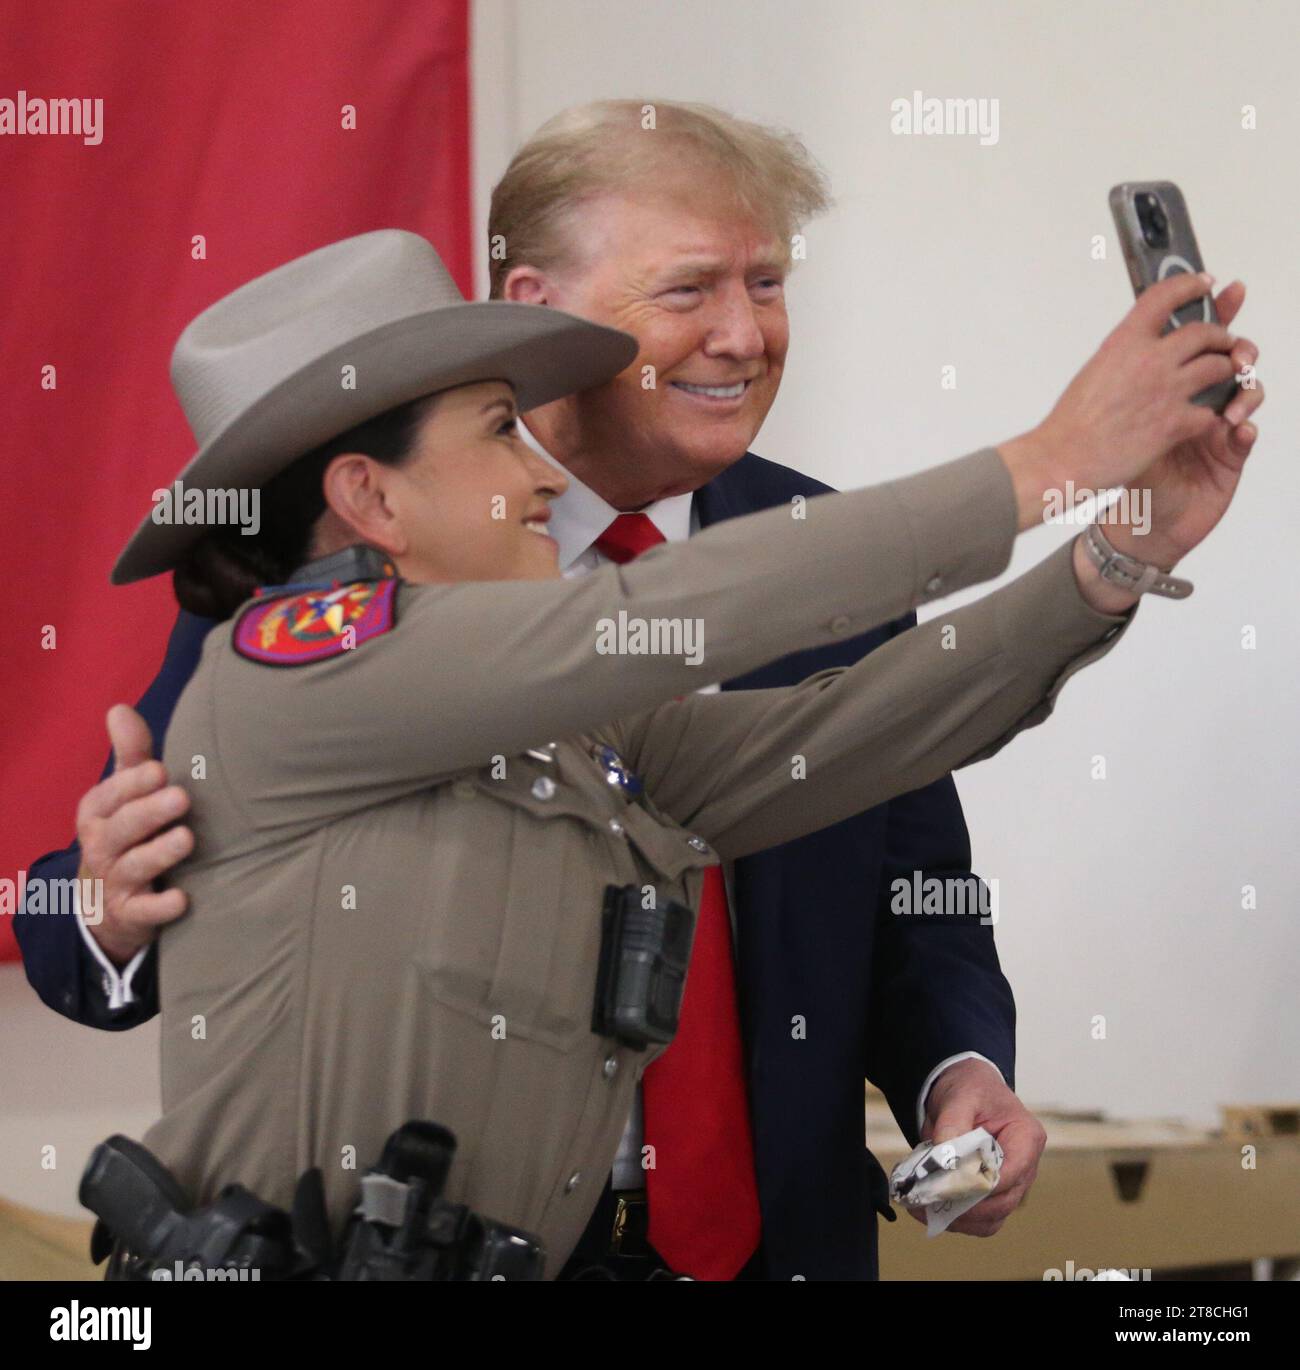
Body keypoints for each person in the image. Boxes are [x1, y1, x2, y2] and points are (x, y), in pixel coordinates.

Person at [16, 102, 1265, 1280]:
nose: (539, 474)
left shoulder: (601, 687)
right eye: (499, 429)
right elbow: (640, 624)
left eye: (765, 281)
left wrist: (1122, 548)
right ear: (371, 499)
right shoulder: (303, 663)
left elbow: (850, 732)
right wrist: (1053, 460)